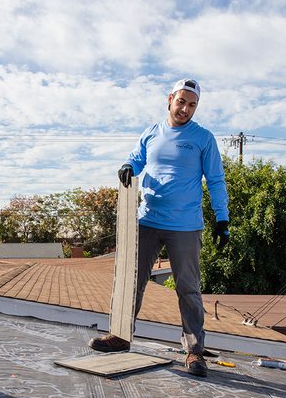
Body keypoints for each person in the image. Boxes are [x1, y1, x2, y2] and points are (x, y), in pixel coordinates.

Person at [89, 79, 230, 377]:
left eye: (192, 105)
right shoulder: (152, 132)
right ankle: (121, 336)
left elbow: (216, 180)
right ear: (170, 99)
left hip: (185, 225)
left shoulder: (203, 138)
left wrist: (222, 218)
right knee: (131, 281)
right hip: (147, 219)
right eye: (181, 102)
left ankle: (194, 351)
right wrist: (128, 166)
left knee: (187, 288)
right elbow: (137, 159)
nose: (185, 109)